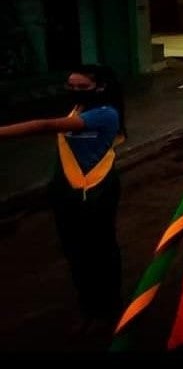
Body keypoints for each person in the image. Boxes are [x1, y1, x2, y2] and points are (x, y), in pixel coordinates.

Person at [0, 65, 126, 334]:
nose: (75, 91)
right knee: (75, 251)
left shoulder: (106, 114)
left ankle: (109, 308)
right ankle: (89, 306)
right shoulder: (79, 108)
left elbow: (45, 126)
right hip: (66, 190)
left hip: (98, 190)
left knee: (100, 250)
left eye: (83, 87)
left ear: (101, 88)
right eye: (71, 85)